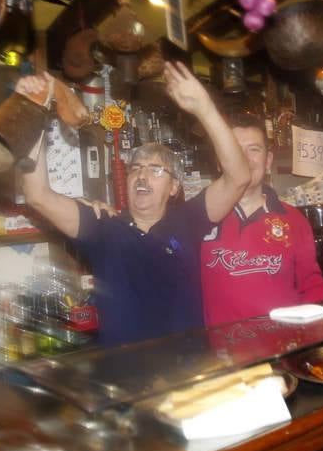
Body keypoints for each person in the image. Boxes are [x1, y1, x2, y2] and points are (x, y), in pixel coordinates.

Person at [21, 62, 250, 346]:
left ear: (174, 187)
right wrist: (34, 112)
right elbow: (38, 196)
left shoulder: (189, 220)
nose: (142, 175)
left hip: (189, 367)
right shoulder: (102, 226)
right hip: (124, 371)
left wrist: (204, 108)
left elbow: (239, 177)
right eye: (136, 168)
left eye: (156, 170)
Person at [200, 113, 323, 326]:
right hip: (221, 347)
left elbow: (312, 287)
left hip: (285, 342)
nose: (244, 158)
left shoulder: (294, 220)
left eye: (254, 149)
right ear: (220, 161)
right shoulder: (199, 219)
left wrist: (318, 334)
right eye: (235, 149)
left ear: (268, 161)